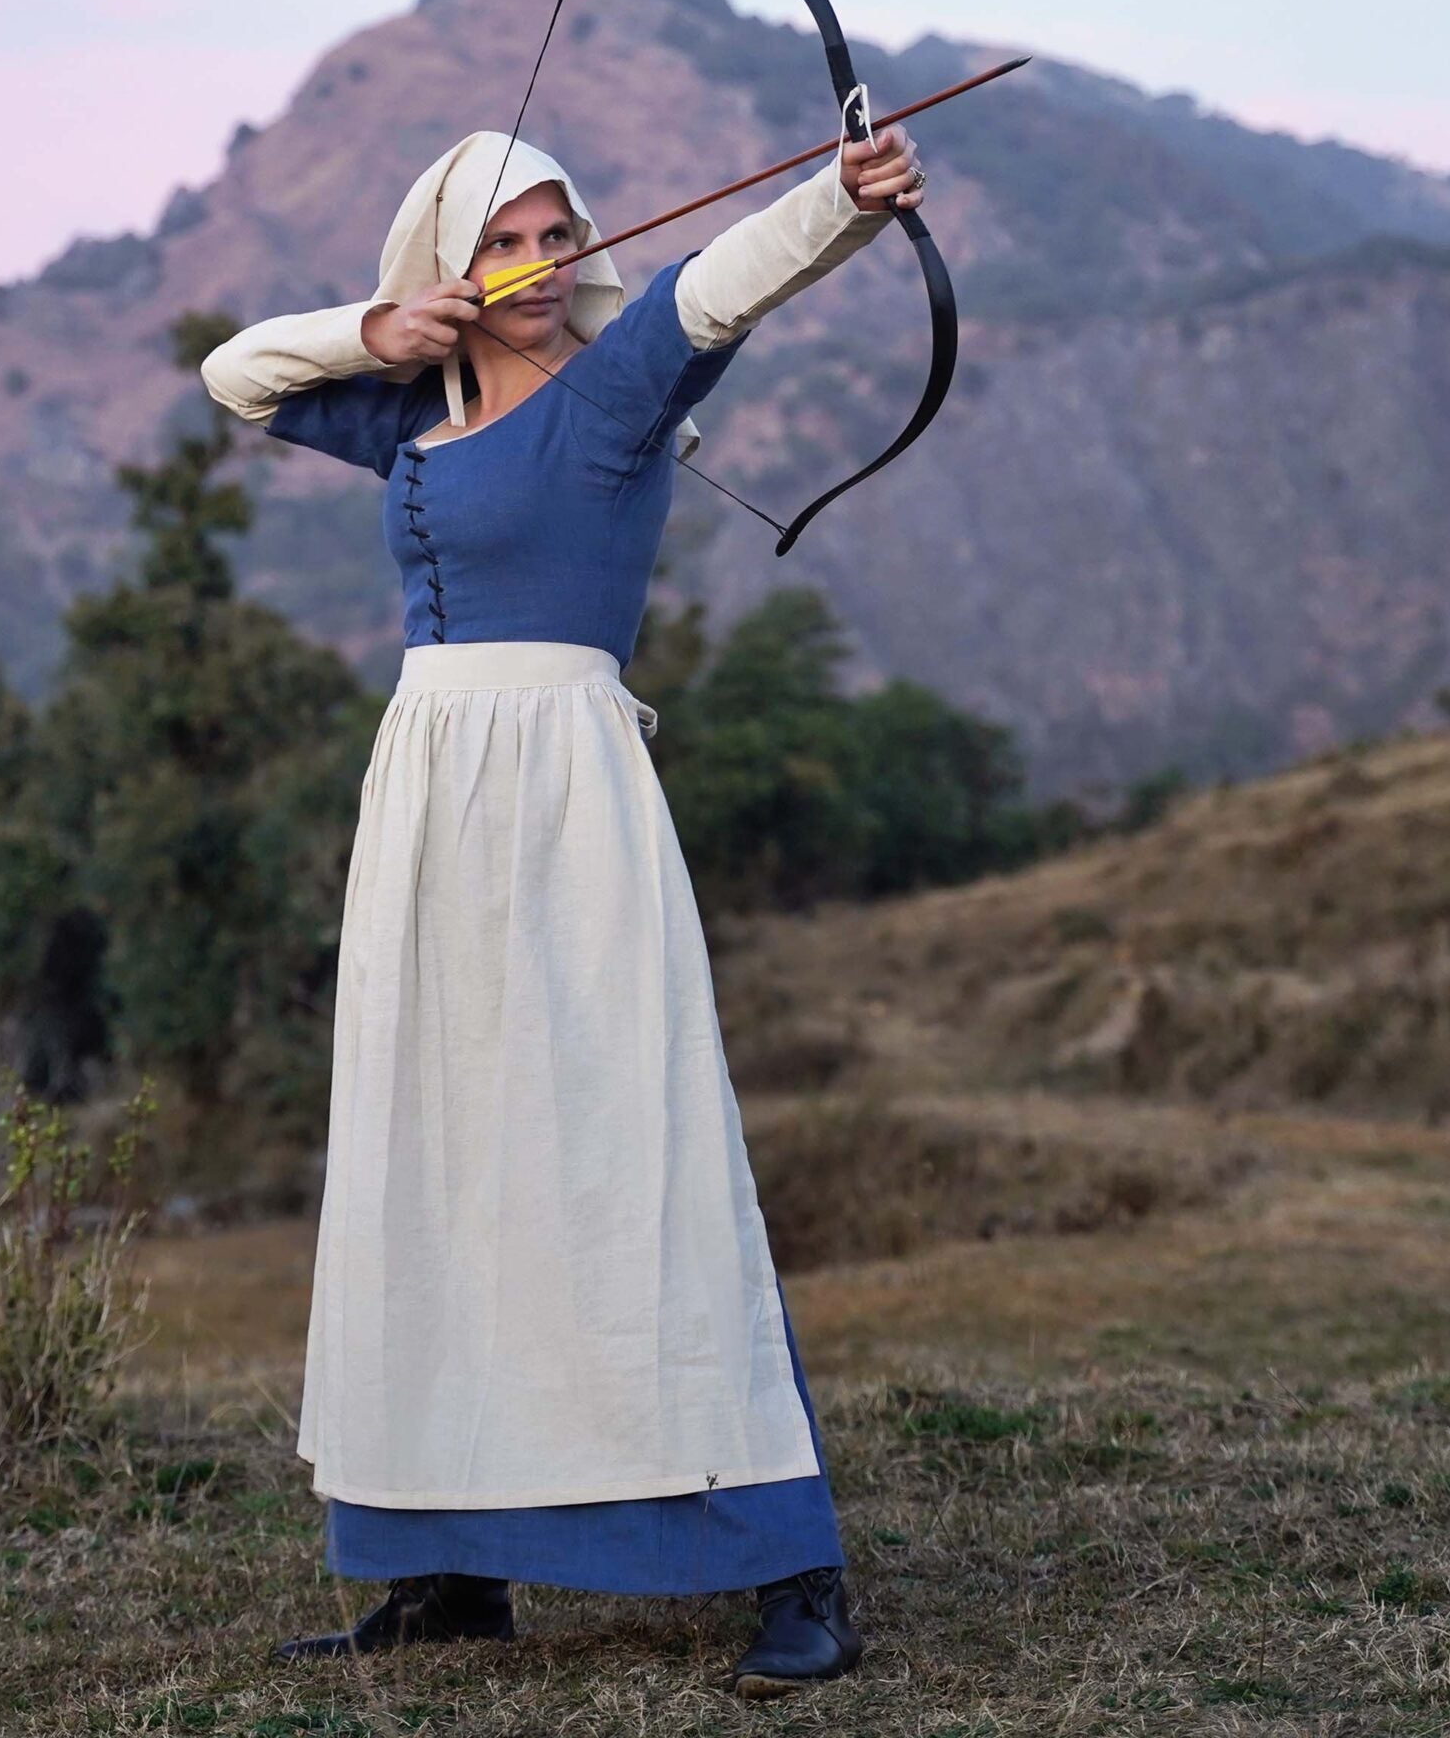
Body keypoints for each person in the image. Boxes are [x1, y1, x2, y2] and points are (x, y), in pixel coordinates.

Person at [200, 115, 926, 1698]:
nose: (544, 263)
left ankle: (790, 1571)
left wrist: (845, 197)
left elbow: (719, 287)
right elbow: (236, 373)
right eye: (508, 240)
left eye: (560, 234)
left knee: (629, 1153)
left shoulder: (615, 392)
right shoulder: (408, 414)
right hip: (424, 800)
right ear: (453, 265)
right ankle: (437, 1568)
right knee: (430, 1158)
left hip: (565, 795)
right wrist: (377, 329)